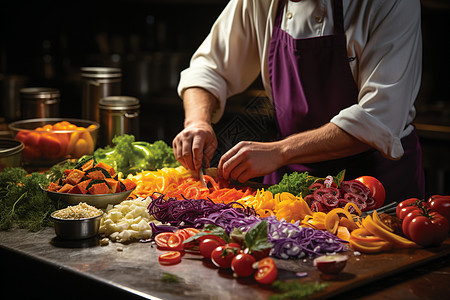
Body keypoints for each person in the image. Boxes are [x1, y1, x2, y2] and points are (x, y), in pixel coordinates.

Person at [172, 0, 425, 204]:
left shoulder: (391, 3)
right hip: (289, 187)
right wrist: (197, 122)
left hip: (374, 187)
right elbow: (209, 67)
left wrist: (280, 151)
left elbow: (378, 119)